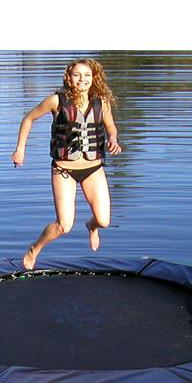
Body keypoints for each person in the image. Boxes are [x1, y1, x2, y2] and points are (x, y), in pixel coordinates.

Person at [11, 58, 122, 270]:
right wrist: (20, 149)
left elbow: (111, 127)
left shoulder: (102, 102)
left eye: (87, 75)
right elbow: (28, 119)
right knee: (64, 225)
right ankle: (35, 248)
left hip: (93, 168)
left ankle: (92, 226)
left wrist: (113, 139)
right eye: (77, 75)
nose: (82, 79)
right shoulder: (56, 101)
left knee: (104, 220)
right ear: (69, 78)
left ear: (94, 78)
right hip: (64, 170)